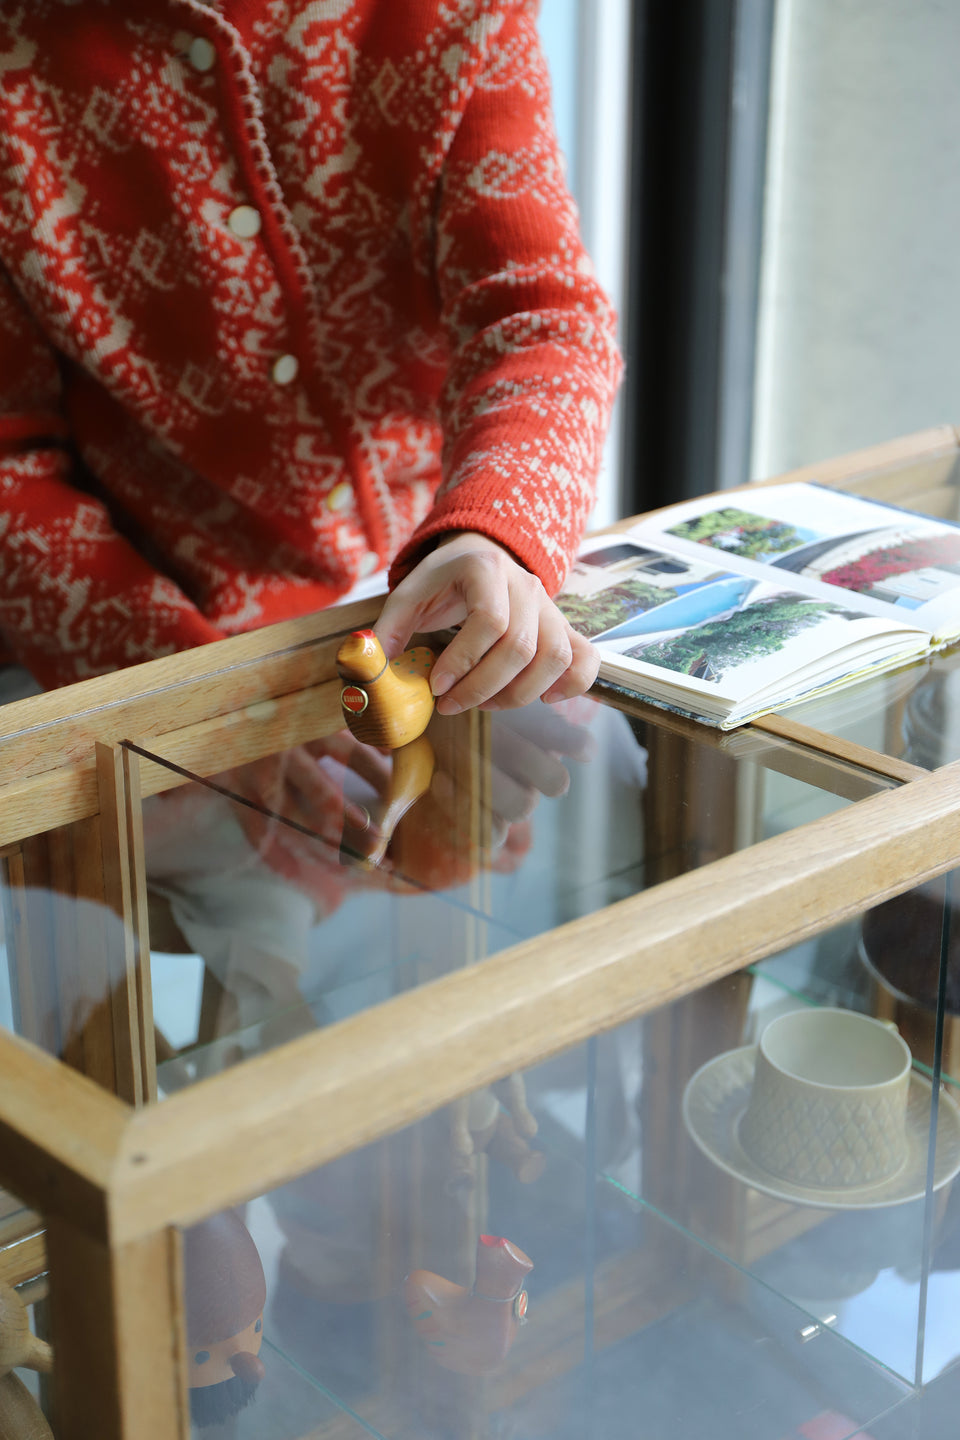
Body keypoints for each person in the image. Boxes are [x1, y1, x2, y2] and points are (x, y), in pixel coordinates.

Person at [0, 0, 621, 713]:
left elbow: (540, 317)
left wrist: (497, 529)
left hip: (447, 585)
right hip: (150, 647)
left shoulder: (458, 12)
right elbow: (10, 458)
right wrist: (190, 698)